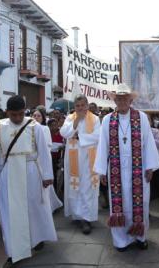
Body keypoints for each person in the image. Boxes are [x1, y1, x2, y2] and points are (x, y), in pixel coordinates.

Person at [0, 96, 57, 267]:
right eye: (13, 115)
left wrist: (47, 175)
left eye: (20, 114)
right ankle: (14, 251)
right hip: (8, 175)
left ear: (24, 111)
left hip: (31, 172)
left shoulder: (35, 127)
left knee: (33, 208)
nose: (17, 118)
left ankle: (37, 237)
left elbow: (44, 153)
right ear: (7, 112)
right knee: (9, 213)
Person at [94, 83, 159, 252]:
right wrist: (102, 170)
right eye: (119, 98)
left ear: (130, 100)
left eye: (125, 98)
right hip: (116, 169)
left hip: (139, 167)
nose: (122, 101)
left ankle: (140, 236)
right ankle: (120, 241)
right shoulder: (108, 120)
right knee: (119, 204)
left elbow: (148, 143)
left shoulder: (141, 117)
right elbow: (103, 146)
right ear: (115, 100)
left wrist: (150, 167)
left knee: (141, 203)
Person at [60, 95, 101, 235]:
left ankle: (86, 218)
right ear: (74, 107)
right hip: (73, 159)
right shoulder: (70, 118)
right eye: (78, 106)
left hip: (89, 159)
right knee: (74, 188)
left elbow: (98, 136)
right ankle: (77, 215)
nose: (80, 108)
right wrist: (76, 120)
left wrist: (80, 137)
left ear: (87, 105)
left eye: (83, 105)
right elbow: (64, 133)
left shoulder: (95, 119)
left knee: (87, 188)